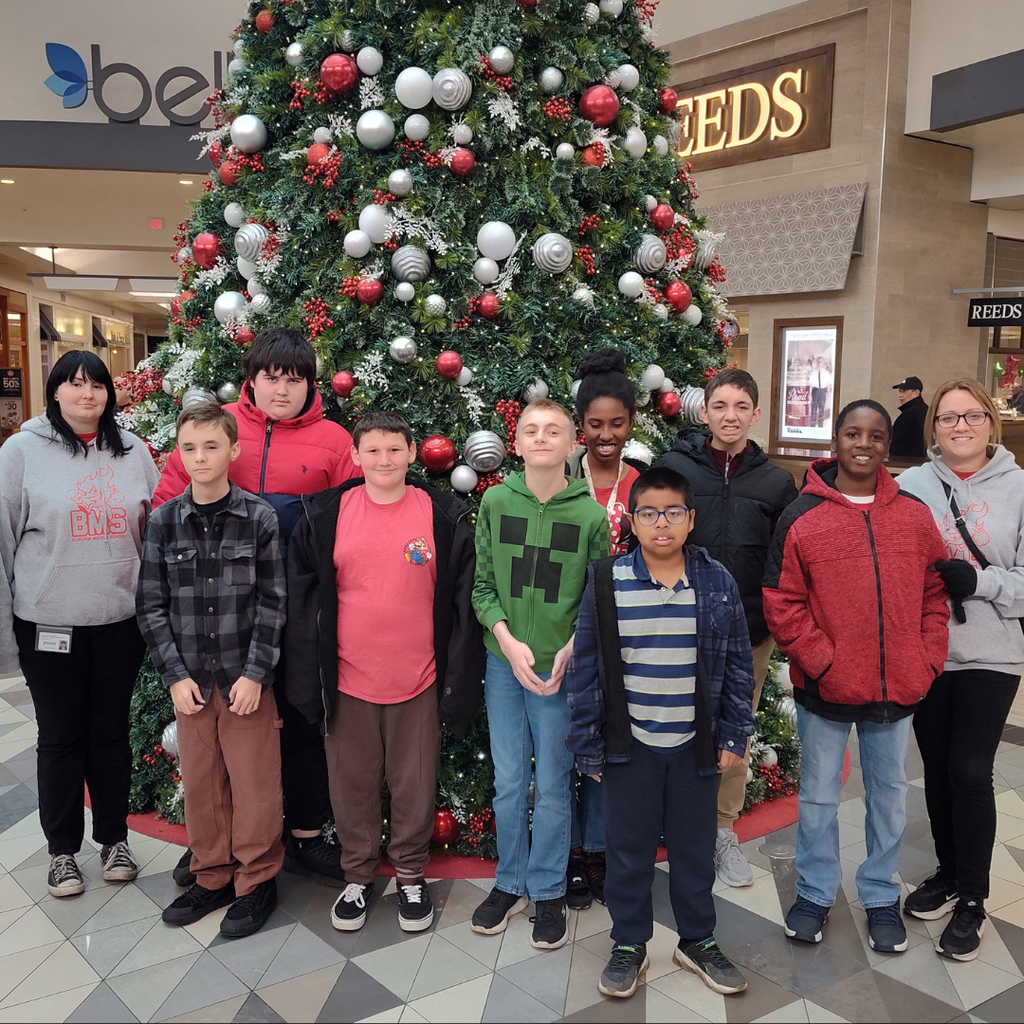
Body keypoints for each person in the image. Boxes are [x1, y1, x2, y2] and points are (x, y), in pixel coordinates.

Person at [154, 327, 358, 889]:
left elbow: (356, 520)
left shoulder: (336, 442)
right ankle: (213, 843)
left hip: (302, 610)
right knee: (216, 730)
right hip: (217, 613)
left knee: (300, 717)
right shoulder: (216, 428)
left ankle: (307, 834)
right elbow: (170, 501)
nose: (282, 390)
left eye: (295, 380)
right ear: (252, 379)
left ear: (311, 385)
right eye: (271, 377)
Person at [283, 411, 484, 933]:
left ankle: (411, 875)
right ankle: (358, 876)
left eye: (394, 449)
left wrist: (456, 680)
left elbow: (463, 604)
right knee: (352, 784)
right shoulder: (326, 515)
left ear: (413, 453)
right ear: (355, 456)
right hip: (348, 681)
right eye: (372, 450)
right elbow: (305, 604)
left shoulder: (443, 515)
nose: (384, 460)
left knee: (414, 783)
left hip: (418, 679)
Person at [763, 400, 949, 954]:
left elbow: (935, 595)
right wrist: (824, 661)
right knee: (819, 795)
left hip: (897, 689)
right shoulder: (802, 516)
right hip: (825, 689)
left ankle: (878, 894)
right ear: (835, 442)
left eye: (875, 435)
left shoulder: (914, 516)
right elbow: (782, 600)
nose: (863, 443)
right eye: (852, 433)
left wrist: (925, 657)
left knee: (888, 794)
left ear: (888, 446)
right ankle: (816, 893)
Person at [566, 466, 755, 999]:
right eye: (649, 514)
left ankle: (697, 939)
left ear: (690, 519)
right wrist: (588, 742)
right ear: (633, 521)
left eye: (673, 512)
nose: (662, 524)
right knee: (628, 851)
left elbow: (739, 664)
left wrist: (733, 736)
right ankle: (629, 942)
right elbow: (586, 667)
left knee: (695, 848)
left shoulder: (715, 581)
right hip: (631, 748)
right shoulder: (608, 581)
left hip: (697, 744)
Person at [0, 351, 159, 897]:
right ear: (56, 391)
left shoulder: (134, 451)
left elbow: (154, 532)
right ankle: (62, 851)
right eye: (75, 384)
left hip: (119, 621)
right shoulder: (21, 451)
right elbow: (2, 543)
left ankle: (114, 839)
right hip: (49, 624)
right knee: (61, 736)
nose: (87, 394)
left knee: (112, 734)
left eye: (97, 385)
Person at [137, 401, 287, 937]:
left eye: (211, 446)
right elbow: (151, 605)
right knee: (202, 784)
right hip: (191, 683)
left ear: (233, 450)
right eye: (189, 448)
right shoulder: (163, 522)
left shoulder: (259, 518)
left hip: (245, 680)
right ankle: (212, 874)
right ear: (179, 455)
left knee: (254, 786)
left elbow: (273, 602)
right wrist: (174, 676)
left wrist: (255, 673)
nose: (200, 457)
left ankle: (256, 879)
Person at [470, 399, 610, 949]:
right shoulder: (496, 502)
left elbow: (596, 596)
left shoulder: (590, 515)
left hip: (561, 669)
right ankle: (510, 883)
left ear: (573, 443)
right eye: (531, 430)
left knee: (553, 783)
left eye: (554, 430)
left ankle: (548, 889)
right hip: (506, 663)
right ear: (518, 442)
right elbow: (483, 586)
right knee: (509, 781)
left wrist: (571, 650)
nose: (542, 437)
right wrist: (507, 640)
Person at [654, 367, 797, 887]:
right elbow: (652, 537)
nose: (730, 416)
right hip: (673, 623)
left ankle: (721, 829)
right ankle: (672, 823)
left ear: (755, 414)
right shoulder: (675, 468)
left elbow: (785, 561)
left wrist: (774, 624)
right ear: (705, 411)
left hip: (747, 633)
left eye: (741, 407)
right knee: (668, 727)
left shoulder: (776, 482)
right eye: (720, 406)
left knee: (732, 732)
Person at [897, 378, 1024, 961]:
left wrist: (983, 581)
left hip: (994, 653)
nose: (960, 427)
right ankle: (949, 873)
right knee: (939, 768)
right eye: (948, 419)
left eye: (971, 416)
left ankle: (973, 896)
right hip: (928, 652)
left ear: (990, 423)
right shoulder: (912, 486)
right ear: (934, 428)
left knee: (970, 770)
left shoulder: (1019, 488)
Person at [564, 348, 645, 909]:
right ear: (580, 428)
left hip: (621, 635)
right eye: (595, 425)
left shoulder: (641, 482)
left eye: (617, 424)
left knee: (606, 745)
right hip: (561, 628)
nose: (606, 434)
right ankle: (568, 853)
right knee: (564, 742)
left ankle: (596, 850)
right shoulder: (561, 478)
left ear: (631, 424)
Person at [889, 376, 928, 459]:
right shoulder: (923, 410)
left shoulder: (910, 414)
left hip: (906, 462)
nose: (900, 395)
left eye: (904, 391)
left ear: (916, 392)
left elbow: (898, 442)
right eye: (899, 391)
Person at [810, 355, 833, 429]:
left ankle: (820, 426)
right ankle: (812, 426)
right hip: (815, 391)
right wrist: (810, 394)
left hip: (822, 392)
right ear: (816, 362)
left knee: (821, 409)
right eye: (818, 361)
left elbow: (828, 384)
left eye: (820, 361)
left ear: (823, 362)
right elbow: (811, 384)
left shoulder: (826, 373)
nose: (819, 363)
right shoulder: (814, 372)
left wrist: (829, 394)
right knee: (813, 409)